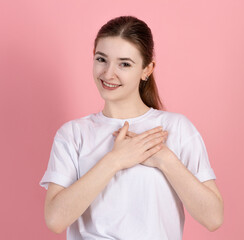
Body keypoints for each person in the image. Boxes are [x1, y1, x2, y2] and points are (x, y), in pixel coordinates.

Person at [39, 15, 223, 240]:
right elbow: (55, 219)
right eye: (101, 59)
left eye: (124, 64)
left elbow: (213, 218)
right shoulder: (73, 134)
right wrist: (115, 160)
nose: (108, 73)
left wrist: (164, 159)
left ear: (147, 69)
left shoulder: (175, 128)